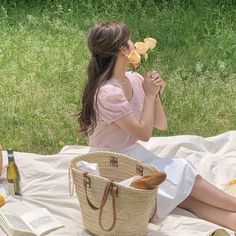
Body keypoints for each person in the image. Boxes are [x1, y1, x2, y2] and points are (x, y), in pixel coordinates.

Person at [77, 21, 236, 231]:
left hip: (134, 157)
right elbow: (144, 134)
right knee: (184, 173)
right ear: (122, 50)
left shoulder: (134, 79)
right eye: (129, 39)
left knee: (187, 195)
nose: (133, 43)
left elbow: (161, 124)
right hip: (112, 165)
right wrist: (149, 95)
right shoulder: (108, 93)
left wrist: (154, 92)